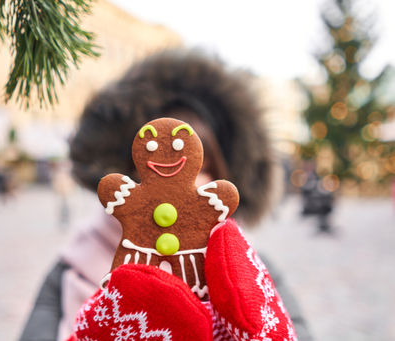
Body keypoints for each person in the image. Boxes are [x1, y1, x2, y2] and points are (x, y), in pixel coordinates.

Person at [19, 49, 312, 341]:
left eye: (206, 167)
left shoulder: (251, 271)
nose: (193, 182)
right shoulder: (74, 266)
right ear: (132, 169)